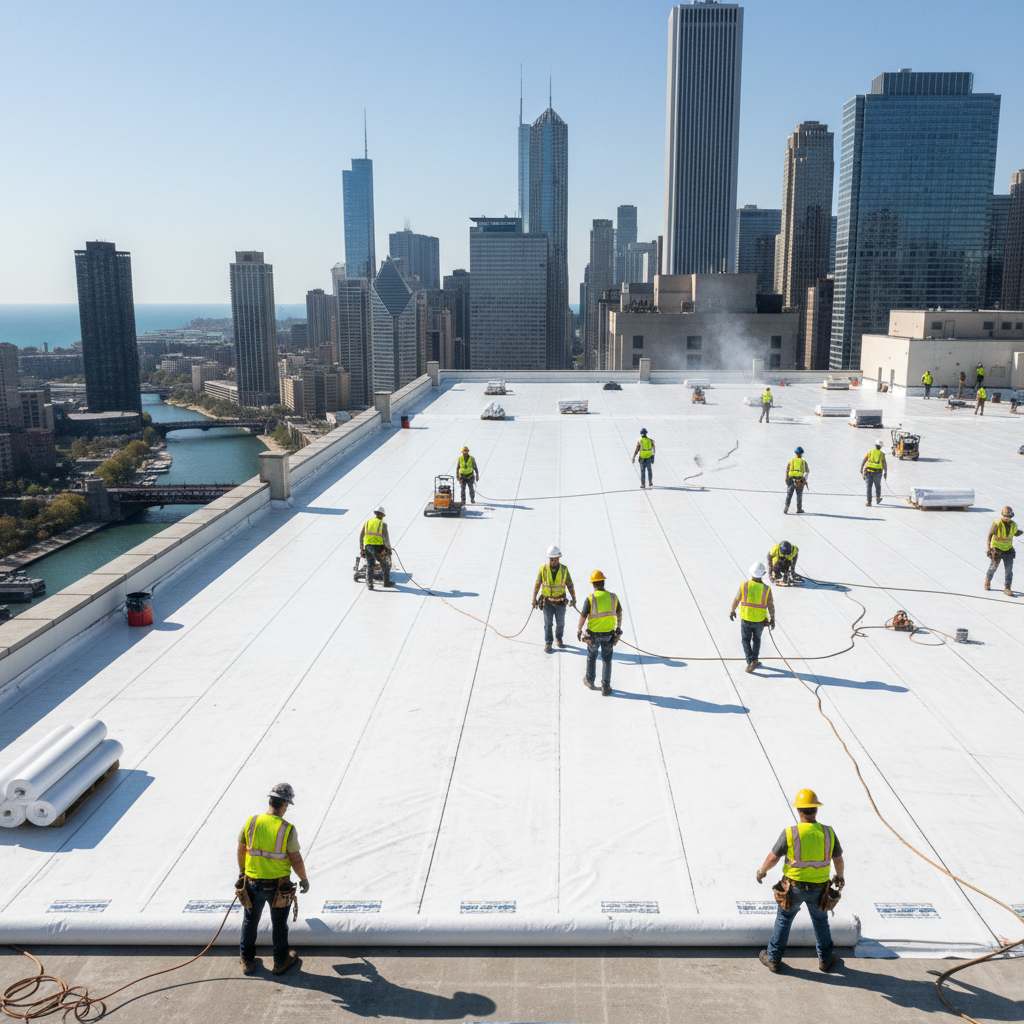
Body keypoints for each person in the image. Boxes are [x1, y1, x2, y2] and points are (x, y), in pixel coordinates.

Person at [755, 789, 845, 974]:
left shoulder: (790, 833)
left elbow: (773, 857)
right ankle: (826, 959)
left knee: (784, 920)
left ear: (799, 810)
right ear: (816, 809)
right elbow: (838, 858)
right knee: (821, 921)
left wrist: (762, 871)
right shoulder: (828, 832)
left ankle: (773, 959)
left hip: (792, 888)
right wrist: (840, 876)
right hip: (819, 889)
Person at [237, 783, 310, 976]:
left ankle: (247, 960)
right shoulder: (287, 829)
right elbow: (295, 858)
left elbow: (241, 848)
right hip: (279, 886)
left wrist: (242, 872)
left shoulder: (252, 822)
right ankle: (280, 961)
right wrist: (303, 879)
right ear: (285, 804)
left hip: (252, 882)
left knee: (250, 920)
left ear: (270, 801)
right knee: (278, 923)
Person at [576, 571, 622, 695]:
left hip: (593, 636)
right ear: (603, 582)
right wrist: (618, 629)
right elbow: (619, 614)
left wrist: (579, 630)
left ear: (593, 584)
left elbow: (583, 616)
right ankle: (605, 686)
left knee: (592, 657)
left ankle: (590, 681)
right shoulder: (613, 597)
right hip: (609, 635)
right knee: (607, 659)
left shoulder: (590, 598)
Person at [730, 562, 776, 672]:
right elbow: (770, 606)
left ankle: (749, 661)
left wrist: (732, 611)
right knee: (756, 640)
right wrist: (772, 619)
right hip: (759, 620)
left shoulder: (744, 586)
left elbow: (736, 600)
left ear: (751, 573)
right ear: (763, 574)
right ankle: (754, 660)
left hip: (746, 618)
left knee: (745, 640)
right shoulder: (766, 589)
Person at [531, 545, 577, 652]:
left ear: (559, 558)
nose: (553, 562)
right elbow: (537, 584)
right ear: (549, 558)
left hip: (560, 603)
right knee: (548, 623)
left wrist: (574, 598)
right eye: (552, 559)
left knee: (560, 623)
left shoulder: (564, 570)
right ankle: (548, 642)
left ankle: (559, 638)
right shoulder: (543, 569)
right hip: (547, 602)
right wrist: (534, 599)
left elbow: (570, 585)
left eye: (555, 559)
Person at [360, 505, 394, 590]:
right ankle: (386, 582)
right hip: (379, 547)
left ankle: (369, 584)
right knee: (385, 564)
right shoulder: (382, 524)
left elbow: (361, 536)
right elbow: (386, 538)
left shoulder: (367, 523)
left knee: (370, 565)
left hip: (368, 547)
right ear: (382, 515)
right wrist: (389, 550)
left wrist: (362, 548)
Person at [986, 506, 1017, 596]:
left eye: (1008, 517)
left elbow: (1013, 533)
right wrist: (989, 548)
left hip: (1008, 549)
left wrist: (1018, 532)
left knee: (1009, 570)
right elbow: (989, 536)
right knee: (993, 568)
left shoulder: (1013, 525)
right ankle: (987, 581)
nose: (1007, 519)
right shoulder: (997, 524)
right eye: (1005, 517)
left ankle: (1007, 588)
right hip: (997, 549)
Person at [860, 441, 887, 506]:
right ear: (881, 447)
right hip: (878, 472)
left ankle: (869, 502)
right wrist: (885, 472)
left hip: (869, 471)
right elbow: (884, 464)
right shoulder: (882, 454)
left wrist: (862, 468)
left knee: (869, 487)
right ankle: (878, 498)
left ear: (875, 445)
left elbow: (864, 460)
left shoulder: (870, 452)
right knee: (877, 486)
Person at [784, 447, 808, 514]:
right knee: (799, 496)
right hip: (799, 481)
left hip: (791, 480)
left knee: (789, 495)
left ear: (796, 453)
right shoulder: (803, 462)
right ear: (802, 454)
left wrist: (786, 478)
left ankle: (786, 508)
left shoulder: (791, 461)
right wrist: (804, 480)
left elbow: (787, 470)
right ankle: (799, 509)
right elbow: (807, 472)